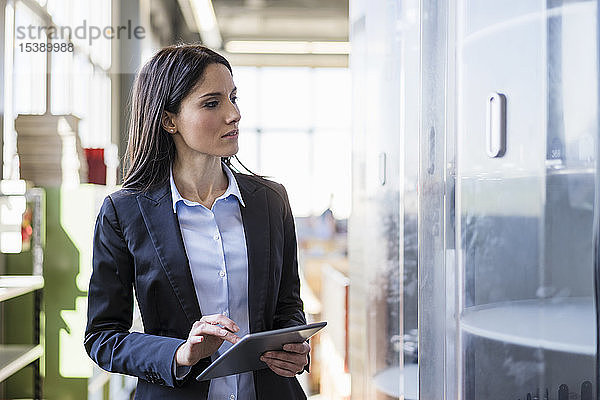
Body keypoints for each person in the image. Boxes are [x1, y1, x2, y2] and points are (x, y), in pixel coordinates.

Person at [84, 43, 310, 400]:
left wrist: (294, 346)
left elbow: (287, 306)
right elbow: (103, 337)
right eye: (212, 102)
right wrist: (180, 353)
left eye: (233, 97)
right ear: (168, 120)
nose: (234, 114)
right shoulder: (124, 212)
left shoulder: (271, 200)